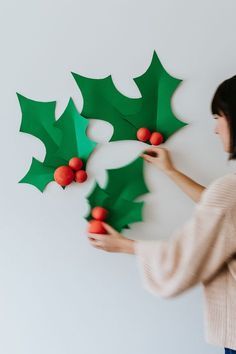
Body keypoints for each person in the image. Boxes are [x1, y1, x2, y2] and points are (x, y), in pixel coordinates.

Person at [87, 75, 236, 353]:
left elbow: (180, 262)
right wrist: (171, 171)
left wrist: (124, 245)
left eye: (219, 116)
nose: (216, 129)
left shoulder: (230, 190)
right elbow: (226, 214)